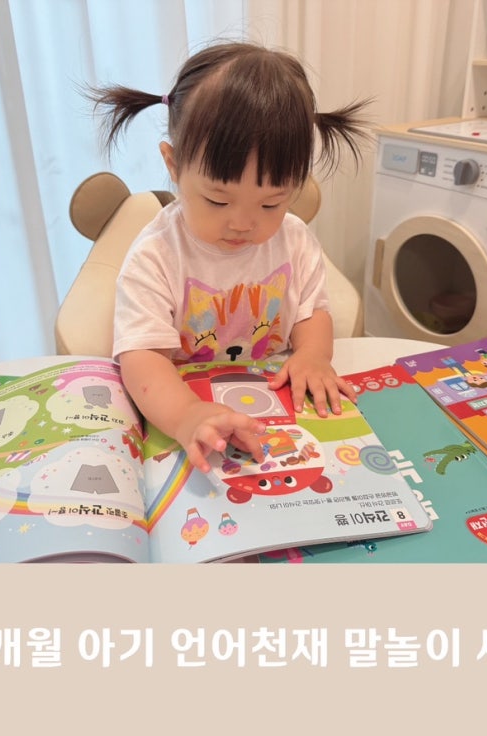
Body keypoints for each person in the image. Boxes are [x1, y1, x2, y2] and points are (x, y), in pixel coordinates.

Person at [90, 40, 371, 474]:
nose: (243, 223)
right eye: (218, 201)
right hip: (183, 409)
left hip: (276, 406)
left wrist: (313, 355)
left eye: (271, 203)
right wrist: (185, 415)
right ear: (173, 164)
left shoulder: (295, 240)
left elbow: (311, 312)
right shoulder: (157, 254)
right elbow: (142, 357)